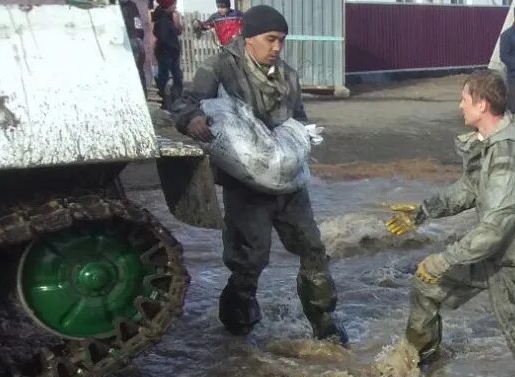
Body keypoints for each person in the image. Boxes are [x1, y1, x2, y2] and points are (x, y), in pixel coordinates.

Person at [172, 6, 347, 344]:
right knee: (250, 257)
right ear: (248, 38)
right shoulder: (221, 68)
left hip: (288, 182)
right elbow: (184, 104)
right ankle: (237, 328)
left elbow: (298, 118)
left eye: (282, 40)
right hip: (245, 183)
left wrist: (303, 139)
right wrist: (192, 119)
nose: (277, 47)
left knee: (312, 248)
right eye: (271, 40)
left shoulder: (288, 76)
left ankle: (324, 324)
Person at [388, 71, 515, 377]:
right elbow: (469, 189)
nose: (460, 106)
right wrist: (422, 212)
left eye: (464, 99)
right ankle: (419, 364)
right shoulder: (489, 144)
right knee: (426, 286)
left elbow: (495, 228)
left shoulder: (511, 154)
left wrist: (444, 259)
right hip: (486, 254)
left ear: (481, 105)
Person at [151, 0, 184, 110]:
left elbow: (177, 32)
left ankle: (175, 101)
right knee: (165, 78)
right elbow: (163, 37)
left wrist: (177, 21)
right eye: (174, 4)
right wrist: (173, 47)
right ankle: (165, 103)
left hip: (171, 52)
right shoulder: (162, 19)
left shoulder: (169, 17)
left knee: (176, 77)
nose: (175, 6)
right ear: (168, 5)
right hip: (166, 52)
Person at [114, 0, 147, 88]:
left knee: (139, 72)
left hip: (134, 43)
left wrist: (139, 36)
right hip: (121, 45)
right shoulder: (113, 5)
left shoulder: (132, 5)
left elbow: (137, 22)